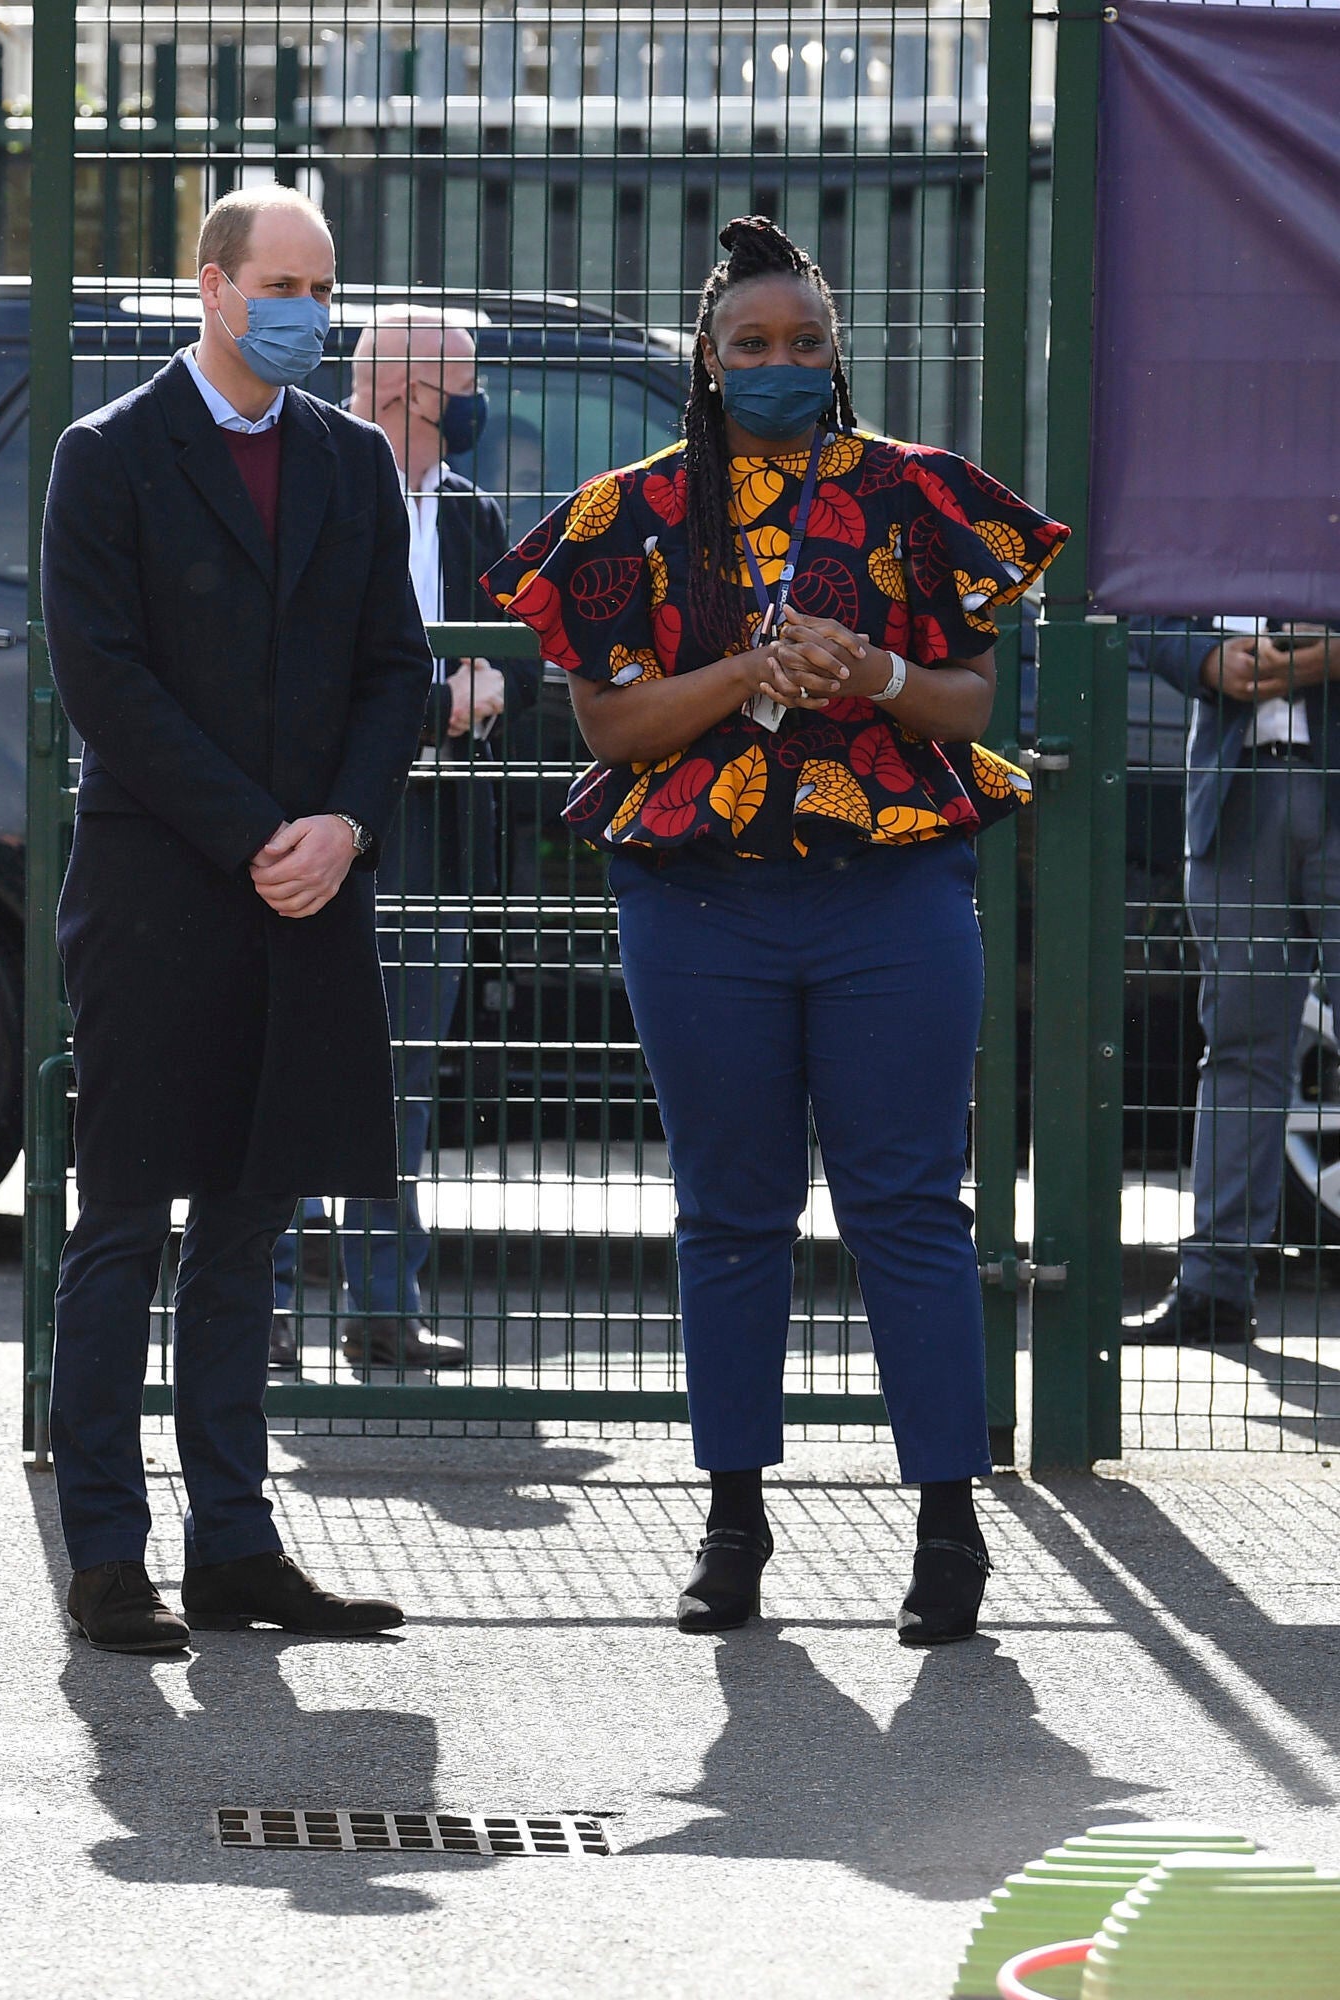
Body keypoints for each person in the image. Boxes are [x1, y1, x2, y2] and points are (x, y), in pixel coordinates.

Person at [485, 216, 1066, 1645]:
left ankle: (949, 1529)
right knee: (731, 1217)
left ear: (837, 353)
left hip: (892, 899)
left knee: (909, 1212)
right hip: (699, 905)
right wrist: (746, 666)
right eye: (754, 346)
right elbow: (612, 722)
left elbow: (971, 705)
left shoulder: (919, 497)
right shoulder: (631, 516)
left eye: (807, 344)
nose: (782, 366)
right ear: (710, 356)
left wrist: (870, 668)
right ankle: (732, 1525)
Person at [40, 186, 436, 1654]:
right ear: (209, 288)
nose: (308, 313)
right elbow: (106, 682)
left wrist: (343, 823)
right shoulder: (112, 455)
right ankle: (103, 1556)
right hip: (161, 893)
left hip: (308, 894)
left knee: (252, 1230)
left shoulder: (347, 459)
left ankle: (236, 1548)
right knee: (126, 1221)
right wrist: (255, 830)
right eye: (282, 282)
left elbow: (394, 670)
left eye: (324, 288)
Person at [268, 305, 524, 1373]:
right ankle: (264, 1300)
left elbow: (525, 652)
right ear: (415, 391)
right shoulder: (309, 483)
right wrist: (437, 698)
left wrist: (497, 681)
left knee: (404, 1076)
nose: (475, 406)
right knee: (285, 1063)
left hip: (433, 830)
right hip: (318, 821)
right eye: (461, 385)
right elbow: (309, 666)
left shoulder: (469, 515)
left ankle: (384, 1303)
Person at [1124, 615, 1340, 1346]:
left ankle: (1216, 1283)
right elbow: (1143, 602)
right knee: (1241, 1048)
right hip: (1235, 794)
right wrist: (1208, 657)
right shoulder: (1210, 498)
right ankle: (1215, 1292)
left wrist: (1332, 658)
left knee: (1245, 1054)